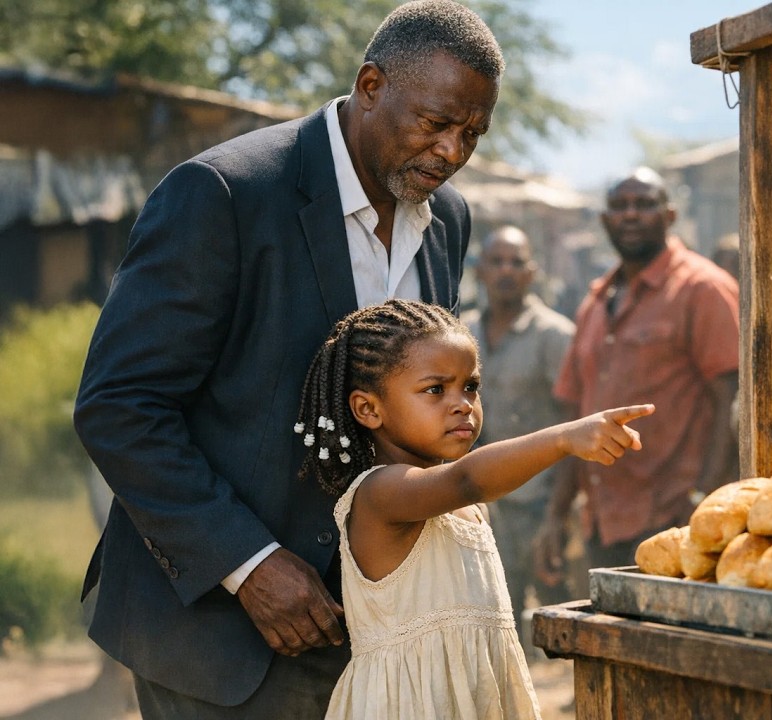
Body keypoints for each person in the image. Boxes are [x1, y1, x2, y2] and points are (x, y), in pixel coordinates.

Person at [72, 2, 503, 716]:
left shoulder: (447, 219)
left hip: (369, 635)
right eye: (435, 123)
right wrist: (249, 567)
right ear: (370, 86)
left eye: (473, 134)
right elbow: (121, 406)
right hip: (218, 638)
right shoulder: (225, 194)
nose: (452, 152)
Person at [292, 299, 652, 719]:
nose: (462, 403)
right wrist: (563, 439)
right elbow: (466, 479)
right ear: (369, 409)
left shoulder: (465, 505)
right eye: (435, 389)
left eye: (470, 386)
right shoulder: (380, 494)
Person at [533, 167, 741, 579]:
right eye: (620, 206)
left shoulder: (703, 289)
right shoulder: (594, 305)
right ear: (605, 221)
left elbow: (731, 404)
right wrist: (556, 516)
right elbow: (573, 419)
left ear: (670, 216)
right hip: (604, 526)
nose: (631, 215)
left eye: (644, 205)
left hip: (678, 525)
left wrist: (701, 500)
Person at [462, 225, 575, 645]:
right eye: (496, 261)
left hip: (540, 500)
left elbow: (573, 422)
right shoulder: (461, 331)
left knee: (555, 623)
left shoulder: (554, 335)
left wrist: (559, 515)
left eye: (516, 262)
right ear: (480, 271)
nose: (506, 271)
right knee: (490, 620)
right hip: (480, 500)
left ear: (532, 272)